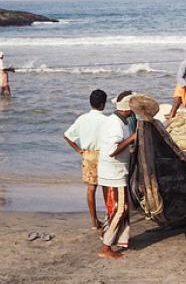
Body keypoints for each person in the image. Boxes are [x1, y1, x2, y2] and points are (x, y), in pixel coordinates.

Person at [97, 94, 137, 259]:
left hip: (112, 171)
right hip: (114, 173)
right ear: (128, 108)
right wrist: (132, 138)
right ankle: (106, 247)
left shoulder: (119, 120)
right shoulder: (116, 124)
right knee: (121, 209)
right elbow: (113, 150)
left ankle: (108, 235)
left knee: (113, 207)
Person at [64, 89, 109, 230]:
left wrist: (78, 150)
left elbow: (67, 135)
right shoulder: (107, 120)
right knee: (107, 187)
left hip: (88, 154)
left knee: (91, 189)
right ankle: (109, 216)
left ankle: (94, 221)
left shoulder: (82, 119)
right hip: (102, 154)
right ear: (103, 104)